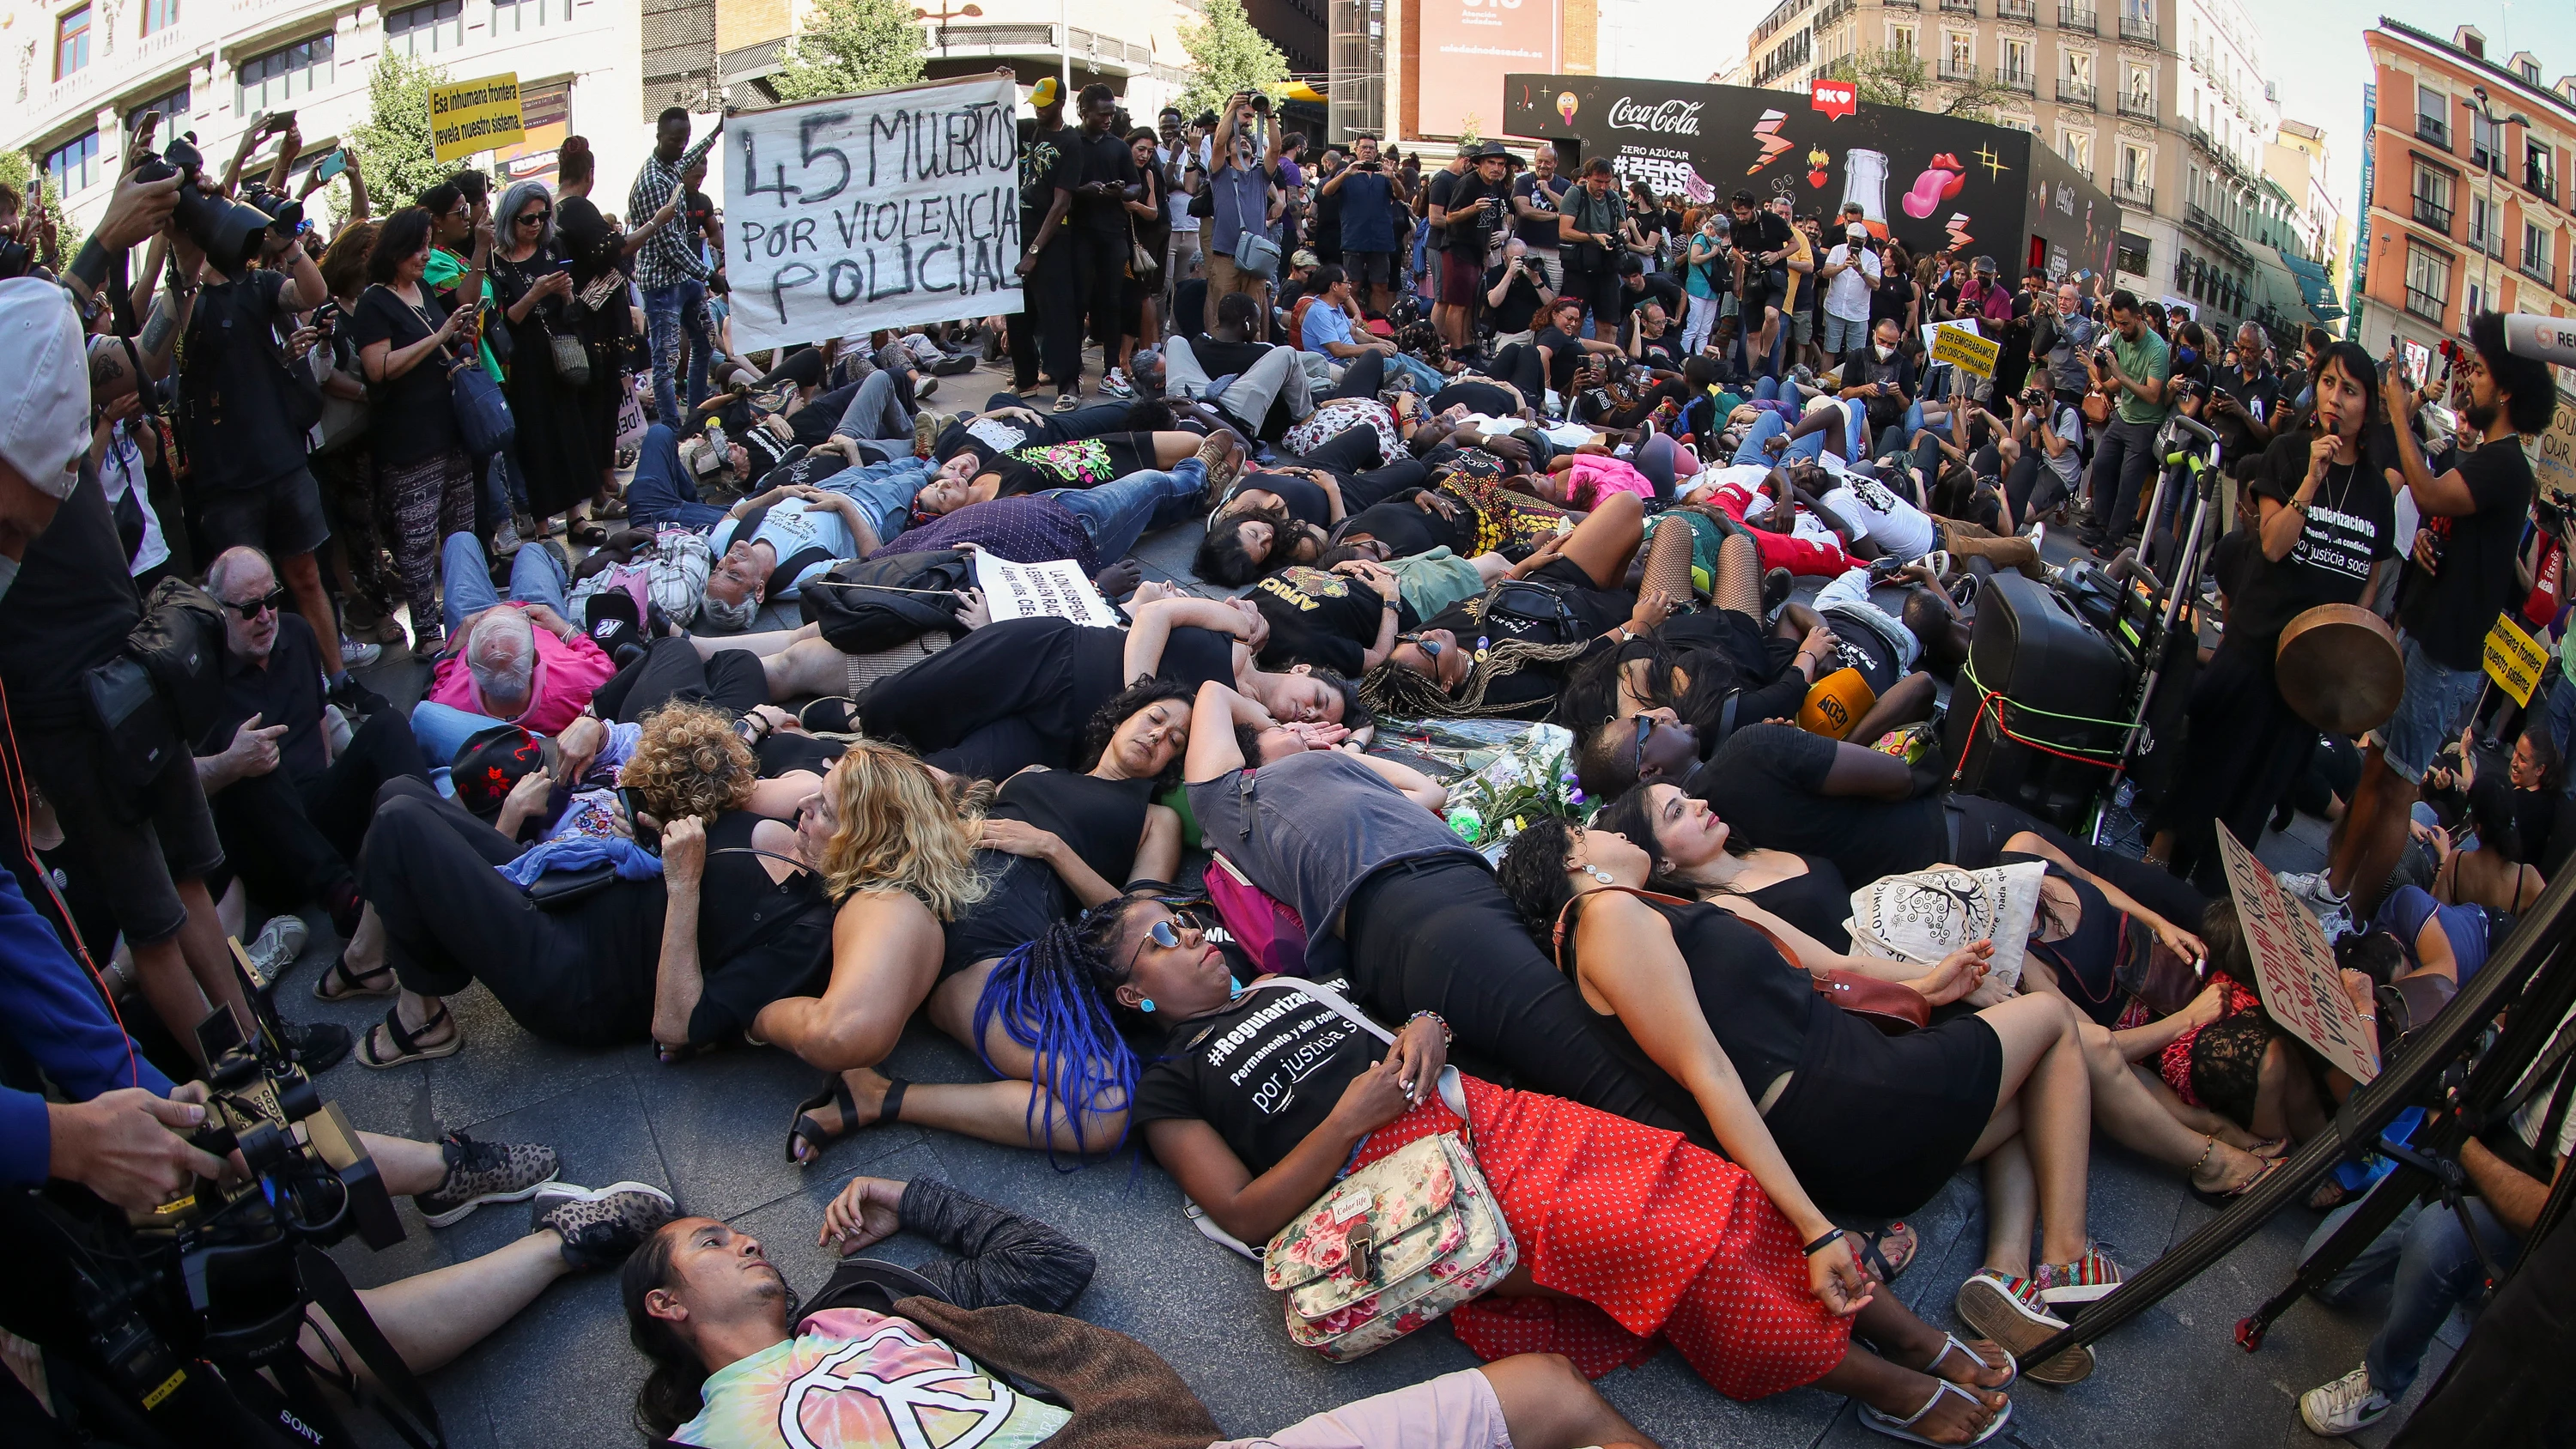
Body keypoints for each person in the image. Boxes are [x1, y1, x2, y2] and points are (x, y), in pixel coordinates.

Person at [1071, 890, 2021, 1438]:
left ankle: (1907, 1332)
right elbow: (1239, 1211)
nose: (1193, 932)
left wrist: (1426, 1029)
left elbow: (1409, 1028)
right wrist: (1348, 1118)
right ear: (1132, 992)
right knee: (1672, 1243)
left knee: (1710, 1181)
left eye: (1188, 917)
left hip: (1480, 1109)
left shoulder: (1284, 984)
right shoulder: (1174, 1084)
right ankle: (1882, 1385)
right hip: (1415, 1187)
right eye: (1164, 935)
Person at [624, 1173, 1668, 1449]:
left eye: (737, 1226)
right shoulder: (707, 1431)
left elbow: (1049, 1260)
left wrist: (909, 1195)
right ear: (667, 1302)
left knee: (1552, 1391)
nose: (748, 1237)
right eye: (713, 1241)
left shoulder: (867, 1303)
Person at [0, 278, 289, 1071]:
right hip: (66, 705)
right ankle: (241, 1093)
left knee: (191, 878)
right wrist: (101, 252)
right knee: (153, 918)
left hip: (134, 662)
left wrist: (182, 270)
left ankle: (266, 1060)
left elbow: (127, 364)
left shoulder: (34, 341)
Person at [784, 686, 1194, 1162]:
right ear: (1123, 717)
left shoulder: (1156, 819)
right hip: (928, 876)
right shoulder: (1038, 771)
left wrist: (1051, 849)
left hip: (995, 935)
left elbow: (1139, 925)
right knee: (792, 835)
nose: (1158, 735)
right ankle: (743, 1012)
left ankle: (884, 1097)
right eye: (1154, 718)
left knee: (1101, 1105)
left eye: (1176, 741)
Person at [351, 701, 835, 1066]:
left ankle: (420, 1017)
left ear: (856, 841)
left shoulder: (807, 926)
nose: (807, 800)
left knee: (401, 822)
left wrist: (682, 885)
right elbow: (720, 779)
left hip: (575, 979)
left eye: (825, 807)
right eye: (817, 789)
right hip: (576, 896)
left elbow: (676, 1027)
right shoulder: (782, 835)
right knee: (399, 792)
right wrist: (646, 837)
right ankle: (366, 961)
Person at [2287, 313, 2556, 938]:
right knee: (2377, 769)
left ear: (2507, 391)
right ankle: (2331, 891)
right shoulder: (2490, 460)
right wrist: (2437, 552)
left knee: (2396, 789)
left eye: (2482, 374)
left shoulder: (2507, 465)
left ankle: (2347, 915)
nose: (2471, 384)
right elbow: (2452, 527)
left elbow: (2431, 494)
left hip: (2444, 655)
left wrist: (2400, 413)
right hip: (2425, 636)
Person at [2149, 343, 2397, 893]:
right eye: (2328, 383)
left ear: (2368, 408)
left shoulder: (2378, 492)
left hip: (2311, 672)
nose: (2335, 399)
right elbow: (2274, 542)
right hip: (2257, 645)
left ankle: (2209, 894)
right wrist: (2311, 479)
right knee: (2209, 763)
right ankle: (2154, 862)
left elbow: (2372, 580)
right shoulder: (2287, 453)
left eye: (2350, 390)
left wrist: (2347, 649)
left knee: (2257, 789)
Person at [2296, 998, 2576, 1436]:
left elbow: (2551, 1213)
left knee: (2434, 1242)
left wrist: (2456, 1139)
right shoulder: (2559, 966)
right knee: (2320, 1270)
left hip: (2521, 1194)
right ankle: (2431, 1279)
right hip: (2478, 1139)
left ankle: (2385, 1381)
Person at [854, 598, 1354, 781]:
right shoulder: (1239, 631)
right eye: (1318, 698)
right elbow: (1156, 615)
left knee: (932, 780)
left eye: (1316, 718)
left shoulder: (1243, 723)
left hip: (1061, 740)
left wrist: (1356, 734)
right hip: (1049, 657)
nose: (1309, 712)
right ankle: (843, 715)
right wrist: (1136, 696)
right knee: (881, 710)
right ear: (1301, 670)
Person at [195, 546, 423, 942]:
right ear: (219, 611)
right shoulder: (200, 675)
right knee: (256, 759)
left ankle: (435, 843)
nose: (266, 617)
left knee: (387, 724)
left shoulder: (297, 634)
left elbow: (318, 724)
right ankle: (348, 909)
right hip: (266, 850)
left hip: (318, 817)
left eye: (272, 600)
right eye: (250, 609)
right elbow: (181, 783)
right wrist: (230, 762)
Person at [169, 190, 349, 685]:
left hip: (282, 463)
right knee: (245, 605)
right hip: (227, 483)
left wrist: (290, 244)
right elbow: (173, 335)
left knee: (307, 577)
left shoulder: (258, 284)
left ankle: (337, 681)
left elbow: (312, 293)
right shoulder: (188, 299)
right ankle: (269, 697)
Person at [352, 206, 482, 653]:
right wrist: (438, 335)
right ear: (396, 249)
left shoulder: (422, 289)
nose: (426, 254)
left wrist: (455, 333)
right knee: (418, 541)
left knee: (461, 534)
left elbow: (437, 345)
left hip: (450, 431)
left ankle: (466, 624)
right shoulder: (374, 302)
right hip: (409, 444)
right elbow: (379, 368)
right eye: (419, 246)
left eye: (430, 244)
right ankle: (427, 635)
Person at [410, 536, 617, 767]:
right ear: (536, 658)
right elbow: (606, 669)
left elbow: (440, 681)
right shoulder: (577, 683)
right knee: (531, 551)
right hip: (537, 613)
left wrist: (459, 640)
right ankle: (558, 571)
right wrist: (562, 628)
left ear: (467, 662)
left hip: (474, 621)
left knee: (460, 541)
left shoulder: (450, 707)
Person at [488, 179, 599, 542]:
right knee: (536, 441)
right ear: (510, 219)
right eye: (527, 219)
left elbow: (574, 311)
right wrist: (536, 293)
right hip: (524, 362)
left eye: (542, 216)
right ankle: (539, 527)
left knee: (569, 432)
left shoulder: (553, 248)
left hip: (560, 354)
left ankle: (576, 518)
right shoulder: (496, 264)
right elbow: (502, 325)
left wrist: (567, 296)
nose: (535, 224)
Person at [630, 106, 725, 427]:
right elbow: (670, 246)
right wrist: (709, 274)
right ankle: (673, 427)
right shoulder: (654, 181)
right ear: (658, 138)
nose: (681, 146)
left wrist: (715, 132)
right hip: (661, 282)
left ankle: (696, 411)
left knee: (704, 340)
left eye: (684, 140)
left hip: (683, 277)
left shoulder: (672, 164)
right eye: (674, 141)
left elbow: (690, 154)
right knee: (666, 360)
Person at [2076, 289, 2173, 556]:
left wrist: (2120, 374)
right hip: (2124, 416)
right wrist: (2102, 365)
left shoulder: (2157, 349)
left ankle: (2114, 538)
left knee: (2129, 481)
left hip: (2146, 423)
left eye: (2125, 323)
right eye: (2117, 323)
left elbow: (2154, 395)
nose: (2120, 329)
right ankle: (2102, 524)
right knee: (2104, 464)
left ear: (2139, 319)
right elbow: (2111, 380)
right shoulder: (2118, 336)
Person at [1204, 91, 1283, 336]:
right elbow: (1218, 142)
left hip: (1255, 258)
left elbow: (1276, 148)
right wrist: (1231, 108)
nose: (1244, 143)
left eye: (1248, 142)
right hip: (1226, 255)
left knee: (1254, 316)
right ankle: (1221, 359)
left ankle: (1254, 363)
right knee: (1223, 314)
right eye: (1238, 142)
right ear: (1229, 152)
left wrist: (1269, 113)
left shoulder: (1260, 176)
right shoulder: (1220, 174)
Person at [1328, 133, 1400, 314]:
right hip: (1354, 237)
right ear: (1356, 150)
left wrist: (1392, 178)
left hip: (1381, 238)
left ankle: (1378, 325)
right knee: (1352, 285)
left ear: (1376, 151)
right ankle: (1354, 324)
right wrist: (1345, 173)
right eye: (1364, 147)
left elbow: (1402, 196)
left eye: (1371, 148)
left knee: (1381, 285)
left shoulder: (1383, 174)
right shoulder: (1347, 172)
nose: (1368, 151)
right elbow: (1326, 192)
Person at [1558, 158, 1627, 343]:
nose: (1603, 187)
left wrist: (1621, 236)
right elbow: (1564, 231)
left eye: (1607, 182)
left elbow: (1624, 228)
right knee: (1574, 321)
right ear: (1587, 177)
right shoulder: (1575, 194)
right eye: (1598, 181)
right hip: (1580, 267)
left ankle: (1602, 366)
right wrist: (1593, 237)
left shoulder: (1614, 198)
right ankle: (1571, 363)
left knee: (1608, 324)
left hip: (1607, 267)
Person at [1819, 222, 1880, 359]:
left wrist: (1861, 271)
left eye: (1859, 240)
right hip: (1834, 309)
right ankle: (1824, 379)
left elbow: (1876, 285)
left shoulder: (1872, 259)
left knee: (1856, 356)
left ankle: (1850, 380)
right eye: (1852, 238)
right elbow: (1825, 272)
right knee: (1829, 350)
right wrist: (1842, 267)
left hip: (1858, 315)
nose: (1855, 243)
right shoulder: (1837, 250)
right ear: (1847, 237)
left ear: (1865, 240)